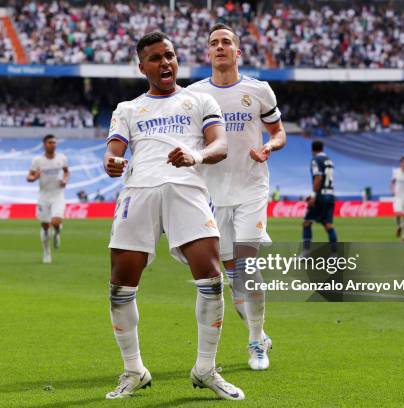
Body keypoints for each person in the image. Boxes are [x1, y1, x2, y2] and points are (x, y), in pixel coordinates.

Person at [103, 31, 244, 400]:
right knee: (120, 286)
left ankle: (205, 369)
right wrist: (113, 163)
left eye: (169, 55)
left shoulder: (200, 100)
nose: (165, 63)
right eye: (155, 58)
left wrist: (195, 156)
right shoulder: (128, 109)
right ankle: (134, 371)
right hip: (139, 192)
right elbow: (113, 153)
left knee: (211, 277)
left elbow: (220, 145)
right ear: (141, 66)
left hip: (187, 190)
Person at [187, 23, 286, 371]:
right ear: (208, 52)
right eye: (213, 42)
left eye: (226, 42)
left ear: (237, 51)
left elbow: (278, 132)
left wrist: (269, 146)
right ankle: (260, 330)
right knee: (233, 279)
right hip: (213, 195)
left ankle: (255, 343)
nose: (219, 47)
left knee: (247, 268)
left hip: (251, 189)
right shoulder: (195, 95)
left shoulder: (258, 90)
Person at [27, 134, 69, 263]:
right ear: (44, 144)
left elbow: (66, 171)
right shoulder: (38, 161)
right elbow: (29, 177)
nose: (53, 144)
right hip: (44, 195)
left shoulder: (61, 158)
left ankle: (56, 233)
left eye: (54, 142)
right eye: (50, 142)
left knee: (55, 221)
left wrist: (65, 180)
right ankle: (46, 252)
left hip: (58, 194)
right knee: (45, 225)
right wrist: (35, 177)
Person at [303, 140, 338, 253]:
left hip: (320, 196)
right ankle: (335, 254)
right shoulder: (329, 161)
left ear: (312, 149)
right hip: (330, 195)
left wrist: (313, 195)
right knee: (328, 225)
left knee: (307, 222)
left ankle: (306, 252)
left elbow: (318, 178)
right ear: (322, 148)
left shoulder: (315, 160)